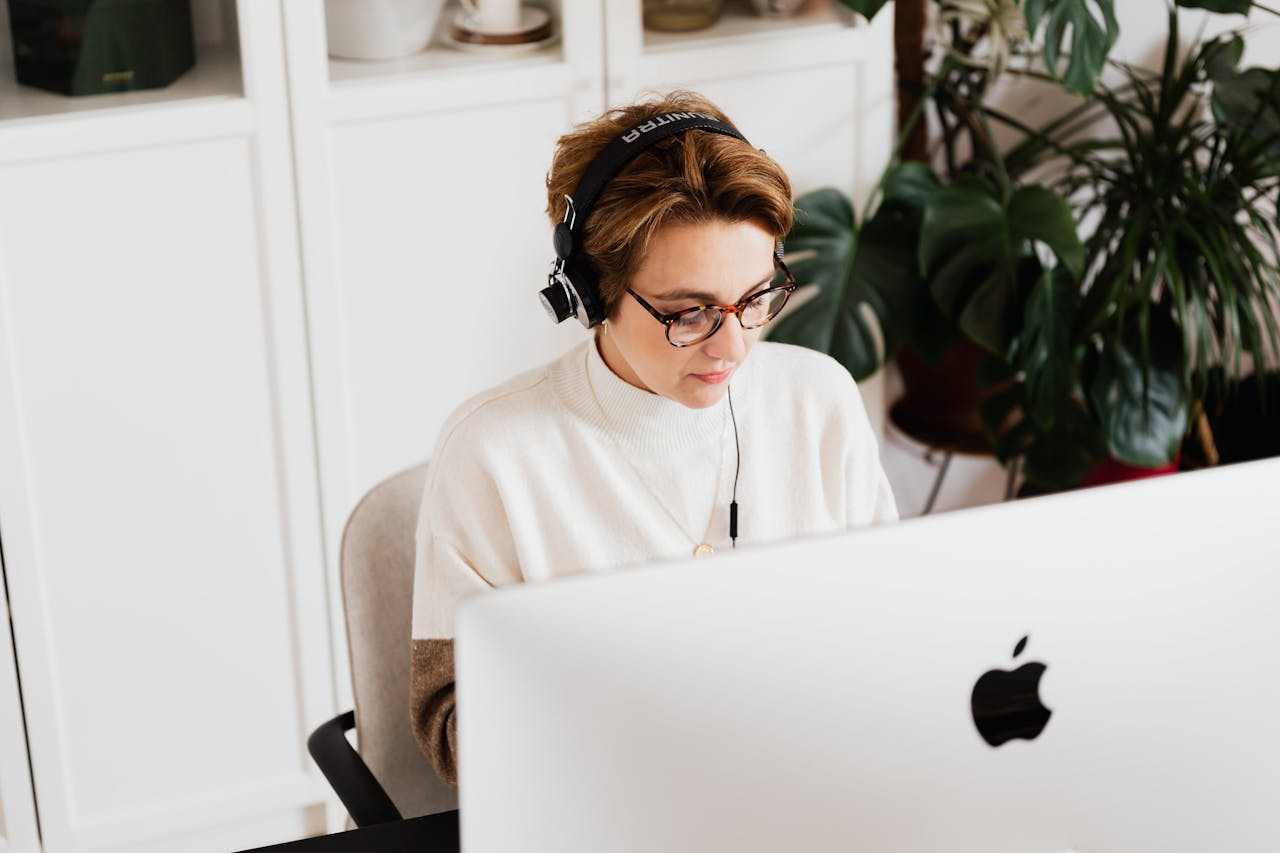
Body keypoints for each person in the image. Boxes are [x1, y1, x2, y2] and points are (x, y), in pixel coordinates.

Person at [409, 91, 898, 787]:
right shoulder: (494, 454)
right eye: (689, 311)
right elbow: (452, 727)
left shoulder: (819, 400)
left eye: (757, 296)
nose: (734, 344)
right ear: (593, 292)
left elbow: (892, 629)